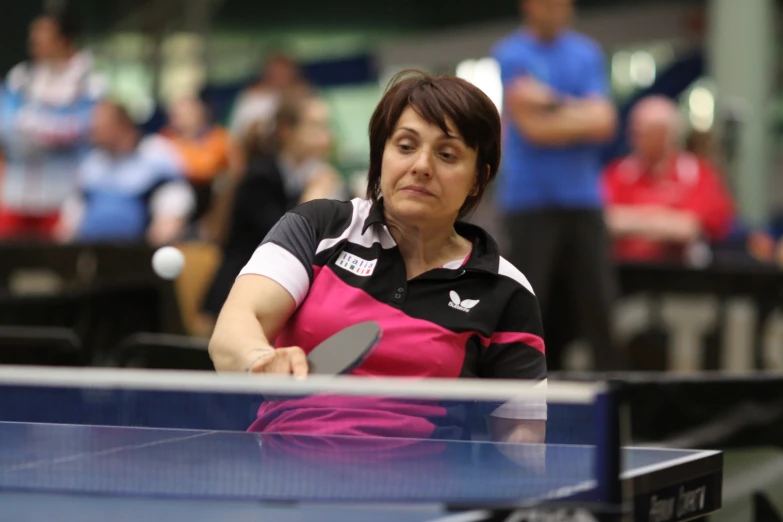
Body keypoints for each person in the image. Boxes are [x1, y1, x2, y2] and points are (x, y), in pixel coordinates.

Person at [208, 71, 546, 440]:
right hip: (287, 475)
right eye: (405, 146)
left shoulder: (504, 288)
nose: (421, 165)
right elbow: (232, 330)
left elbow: (520, 436)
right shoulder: (320, 227)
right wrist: (260, 360)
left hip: (428, 490)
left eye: (447, 154)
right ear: (380, 154)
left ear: (478, 179)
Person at [491, 0, 619, 371]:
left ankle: (615, 399)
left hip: (583, 198)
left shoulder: (586, 53)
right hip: (529, 201)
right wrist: (581, 115)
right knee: (530, 305)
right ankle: (520, 391)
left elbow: (606, 122)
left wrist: (549, 101)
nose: (556, 9)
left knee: (600, 307)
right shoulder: (511, 52)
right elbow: (534, 129)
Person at [200, 92, 343, 330]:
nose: (325, 134)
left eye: (327, 126)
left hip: (291, 292)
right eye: (315, 125)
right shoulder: (259, 178)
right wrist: (313, 197)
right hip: (241, 296)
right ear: (287, 131)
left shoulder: (319, 175)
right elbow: (284, 243)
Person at [0, 9, 106, 240]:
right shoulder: (21, 76)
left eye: (43, 39)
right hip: (16, 193)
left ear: (64, 40)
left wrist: (32, 123)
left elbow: (83, 128)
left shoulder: (92, 82)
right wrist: (49, 126)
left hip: (67, 196)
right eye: (33, 39)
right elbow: (6, 126)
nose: (34, 45)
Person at [603, 96, 735, 263]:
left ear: (666, 134)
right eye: (634, 131)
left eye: (644, 132)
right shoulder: (618, 173)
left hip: (681, 276)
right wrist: (665, 220)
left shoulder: (697, 173)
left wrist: (631, 221)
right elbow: (603, 222)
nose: (633, 138)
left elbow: (689, 228)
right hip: (625, 270)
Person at [55, 101, 195, 245]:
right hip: (91, 253)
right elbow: (72, 214)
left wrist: (165, 228)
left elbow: (175, 200)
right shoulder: (92, 163)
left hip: (141, 253)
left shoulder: (158, 153)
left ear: (121, 126)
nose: (93, 133)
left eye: (100, 127)